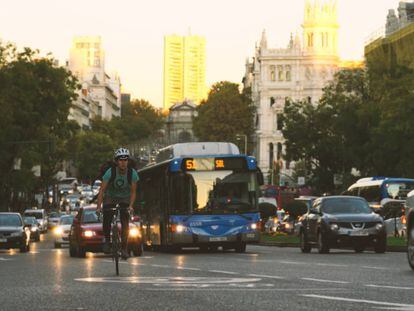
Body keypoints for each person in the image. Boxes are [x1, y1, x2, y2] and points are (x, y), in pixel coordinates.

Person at [96, 148, 139, 259]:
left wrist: (130, 206)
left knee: (125, 221)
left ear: (128, 161)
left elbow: (134, 192)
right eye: (120, 160)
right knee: (107, 217)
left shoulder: (132, 174)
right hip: (110, 197)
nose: (123, 162)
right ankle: (107, 240)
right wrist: (98, 207)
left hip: (125, 197)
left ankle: (124, 248)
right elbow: (102, 191)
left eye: (125, 160)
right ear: (116, 162)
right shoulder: (110, 172)